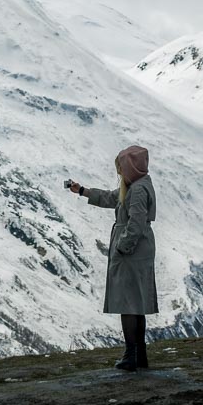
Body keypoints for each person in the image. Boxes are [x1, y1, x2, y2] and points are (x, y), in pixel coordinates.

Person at [67, 145, 158, 371]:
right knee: (135, 303)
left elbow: (135, 224)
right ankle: (139, 355)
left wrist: (121, 248)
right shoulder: (137, 185)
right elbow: (111, 198)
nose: (119, 172)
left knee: (128, 302)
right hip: (138, 249)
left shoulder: (136, 190)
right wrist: (83, 191)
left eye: (121, 168)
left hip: (132, 251)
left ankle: (130, 355)